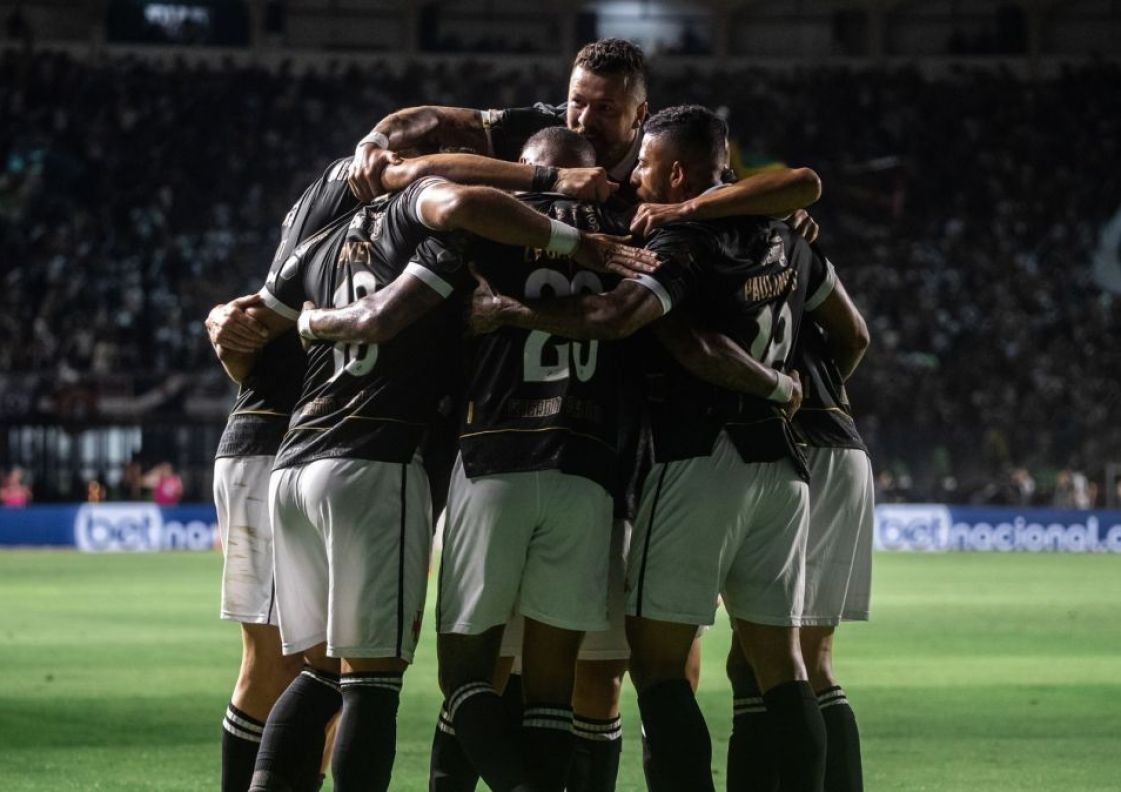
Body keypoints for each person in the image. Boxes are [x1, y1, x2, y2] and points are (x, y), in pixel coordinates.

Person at [216, 166, 651, 792]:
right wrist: (573, 240)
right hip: (375, 459)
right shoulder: (437, 236)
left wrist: (238, 323)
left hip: (294, 464)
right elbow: (383, 316)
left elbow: (247, 335)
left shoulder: (318, 243)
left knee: (318, 674)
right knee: (372, 684)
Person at [470, 105, 835, 791]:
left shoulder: (681, 241)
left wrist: (508, 310)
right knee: (780, 665)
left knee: (659, 666)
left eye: (643, 165)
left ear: (674, 171)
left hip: (700, 457)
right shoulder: (782, 232)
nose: (634, 179)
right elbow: (806, 190)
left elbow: (621, 319)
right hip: (780, 471)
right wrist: (783, 391)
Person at [205, 154, 361, 792]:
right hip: (274, 452)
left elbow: (240, 354)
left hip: (308, 456)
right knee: (278, 665)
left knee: (327, 667)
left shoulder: (313, 259)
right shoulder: (325, 262)